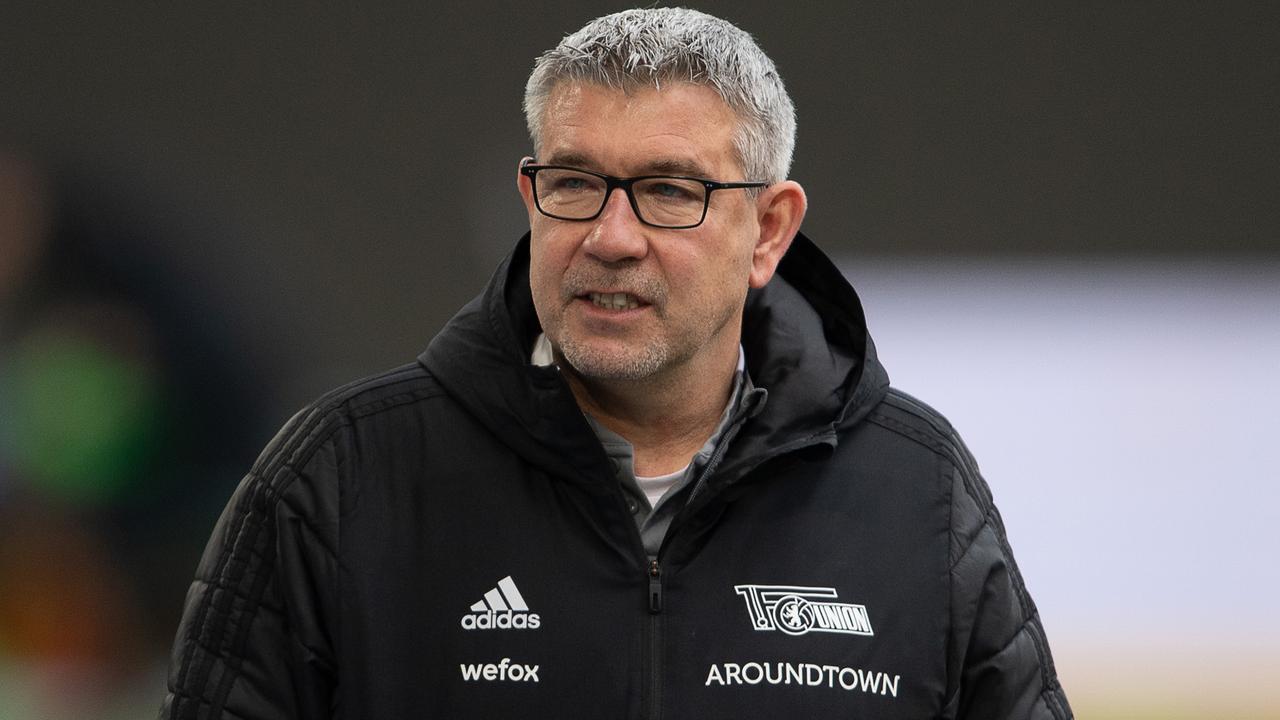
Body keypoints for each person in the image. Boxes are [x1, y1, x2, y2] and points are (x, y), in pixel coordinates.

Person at [160, 8, 1072, 719]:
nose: (610, 236)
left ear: (769, 231)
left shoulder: (916, 490)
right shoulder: (341, 481)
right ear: (531, 198)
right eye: (575, 183)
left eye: (669, 191)